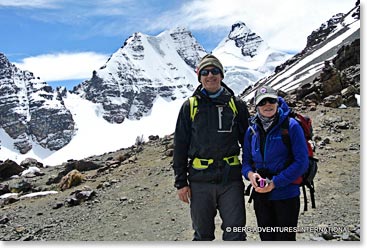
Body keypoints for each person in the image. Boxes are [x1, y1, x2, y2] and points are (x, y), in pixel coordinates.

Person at [172, 54, 250, 241]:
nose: (210, 75)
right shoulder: (190, 106)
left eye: (215, 71)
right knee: (202, 235)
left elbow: (248, 142)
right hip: (200, 181)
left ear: (221, 75)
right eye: (205, 72)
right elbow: (180, 146)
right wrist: (181, 183)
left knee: (236, 234)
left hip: (230, 179)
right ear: (199, 77)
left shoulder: (236, 105)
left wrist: (253, 171)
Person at [241, 85, 309, 241]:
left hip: (286, 195)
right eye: (262, 102)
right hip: (261, 196)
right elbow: (246, 161)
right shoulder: (251, 130)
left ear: (277, 102)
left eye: (271, 100)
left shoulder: (291, 126)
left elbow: (302, 162)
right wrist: (250, 175)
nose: (267, 105)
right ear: (256, 106)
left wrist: (275, 183)